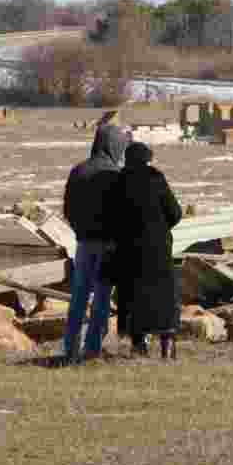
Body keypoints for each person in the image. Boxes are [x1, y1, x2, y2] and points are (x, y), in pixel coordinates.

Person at [108, 142, 183, 359]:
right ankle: (167, 349)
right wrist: (158, 227)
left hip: (129, 249)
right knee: (164, 297)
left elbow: (112, 217)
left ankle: (138, 347)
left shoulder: (119, 181)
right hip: (158, 248)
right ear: (147, 158)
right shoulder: (156, 178)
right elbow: (175, 213)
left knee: (134, 296)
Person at [61, 123, 128, 363]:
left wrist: (80, 229)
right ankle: (91, 351)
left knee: (78, 297)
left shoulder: (78, 170)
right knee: (101, 298)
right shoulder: (116, 174)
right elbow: (124, 212)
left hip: (84, 242)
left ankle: (69, 350)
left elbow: (67, 208)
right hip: (109, 245)